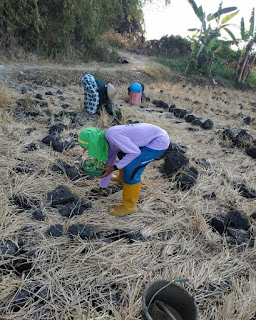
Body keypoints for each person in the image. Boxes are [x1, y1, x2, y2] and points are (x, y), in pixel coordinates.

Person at [78, 123, 170, 217]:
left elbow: (134, 152)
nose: (87, 151)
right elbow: (109, 163)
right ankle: (122, 178)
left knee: (131, 169)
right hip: (148, 138)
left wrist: (115, 168)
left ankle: (129, 206)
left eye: (89, 148)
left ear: (93, 143)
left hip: (158, 141)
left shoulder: (112, 135)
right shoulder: (106, 140)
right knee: (122, 154)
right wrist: (102, 188)